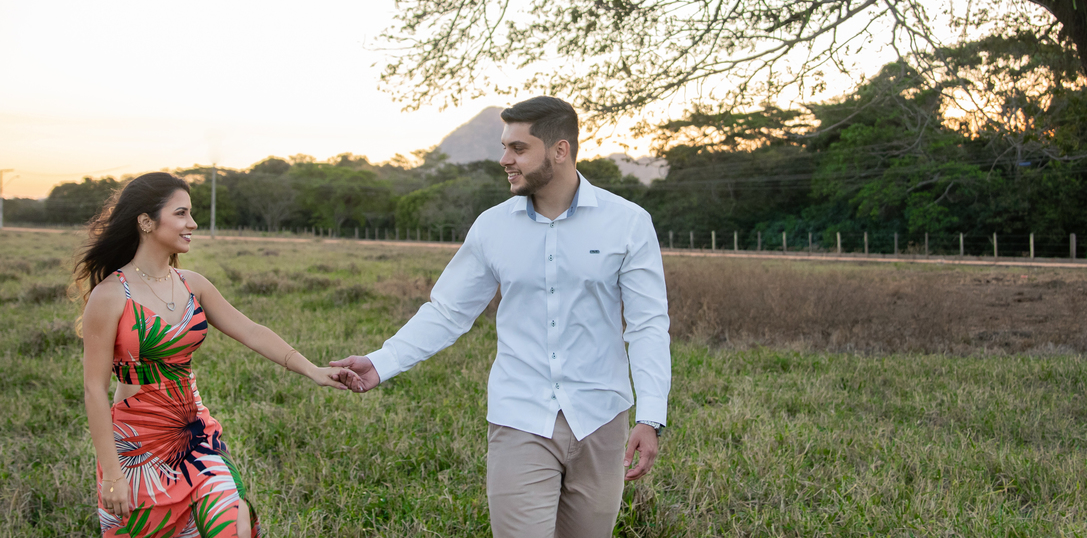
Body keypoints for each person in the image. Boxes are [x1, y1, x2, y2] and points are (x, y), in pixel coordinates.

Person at [333, 96, 671, 538]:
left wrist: (650, 416)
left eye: (518, 148)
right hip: (520, 417)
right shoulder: (492, 226)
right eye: (504, 147)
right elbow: (448, 311)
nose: (504, 159)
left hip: (602, 418)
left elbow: (647, 325)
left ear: (560, 150)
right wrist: (381, 362)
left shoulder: (628, 223)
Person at [75, 172, 357, 538]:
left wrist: (313, 370)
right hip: (137, 445)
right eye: (181, 213)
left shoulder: (193, 284)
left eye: (190, 213)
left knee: (233, 522)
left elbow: (252, 331)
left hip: (195, 434)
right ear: (146, 221)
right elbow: (94, 390)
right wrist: (112, 473)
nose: (192, 223)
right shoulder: (111, 295)